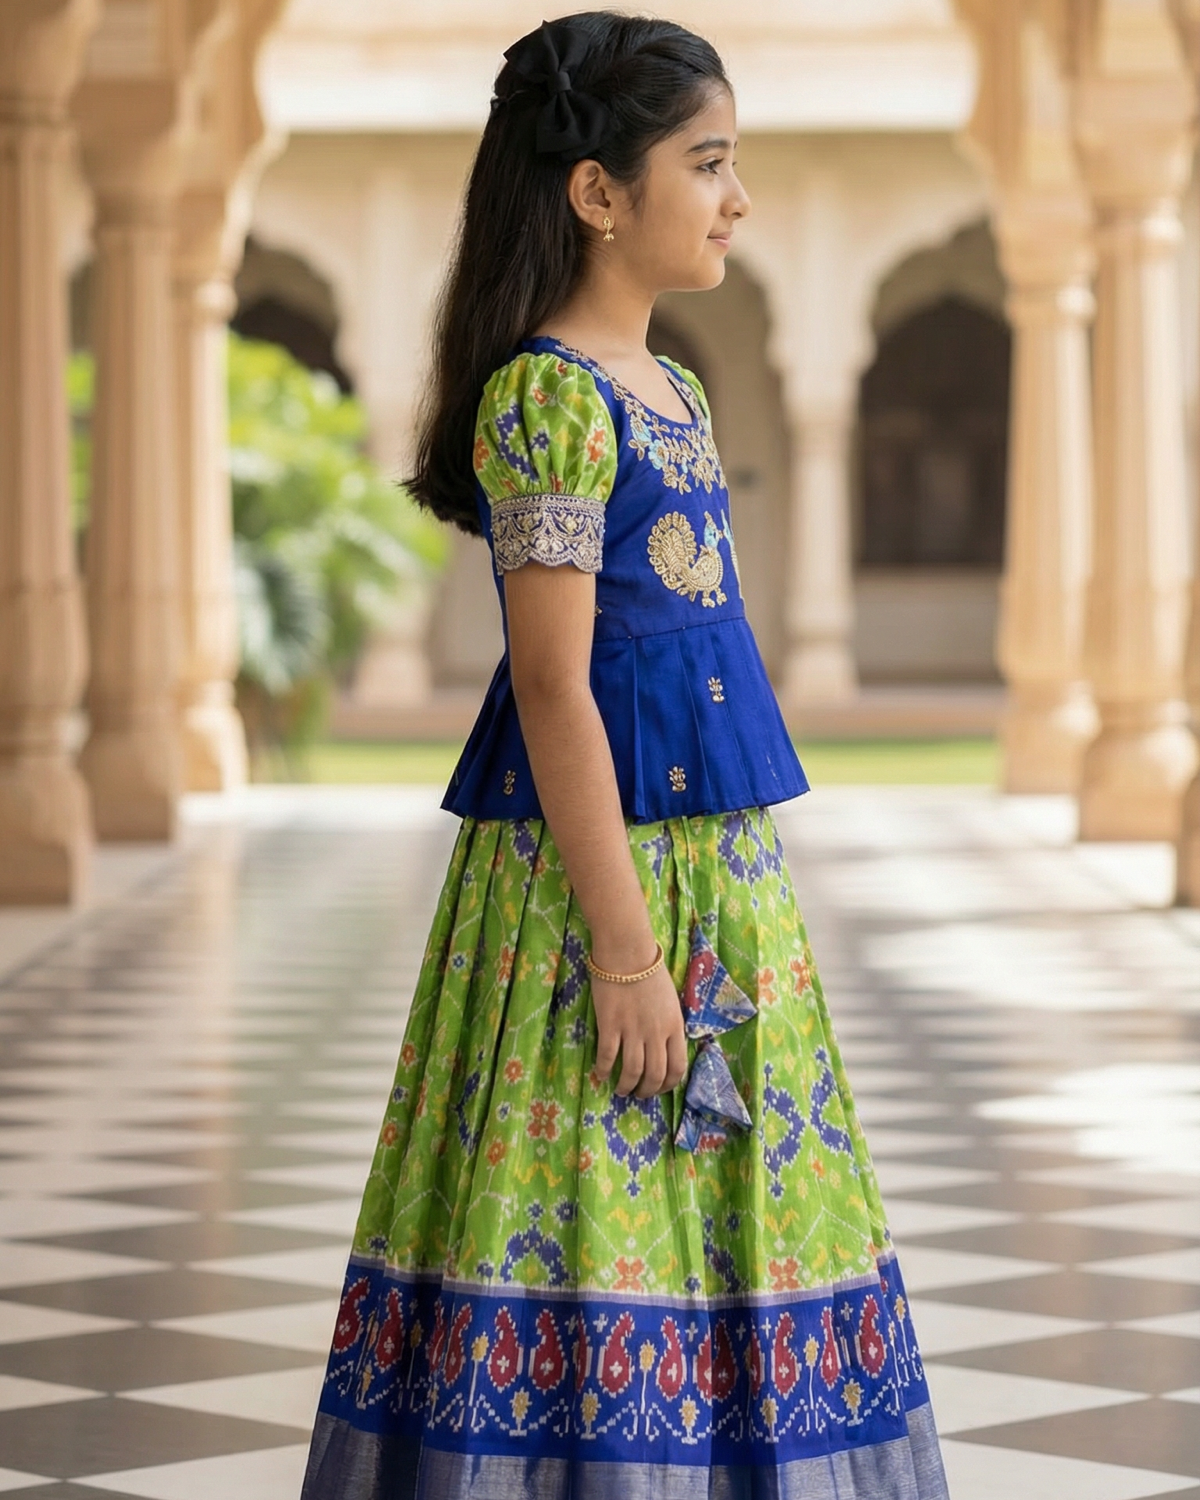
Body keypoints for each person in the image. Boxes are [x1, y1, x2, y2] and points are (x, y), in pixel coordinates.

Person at [301, 14, 949, 1499]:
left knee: (734, 1198)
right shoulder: (550, 396)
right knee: (589, 1177)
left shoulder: (678, 389)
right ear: (597, 191)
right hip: (588, 892)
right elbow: (550, 681)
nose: (736, 198)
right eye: (707, 164)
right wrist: (624, 954)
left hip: (723, 870)